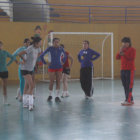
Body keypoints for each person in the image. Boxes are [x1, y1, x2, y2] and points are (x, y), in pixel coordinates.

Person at [18, 37, 42, 111]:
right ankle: (30, 104)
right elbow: (20, 53)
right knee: (31, 86)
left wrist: (35, 63)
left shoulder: (38, 49)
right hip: (24, 69)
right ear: (36, 43)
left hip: (31, 69)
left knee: (27, 85)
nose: (41, 44)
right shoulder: (30, 48)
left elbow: (39, 54)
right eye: (40, 42)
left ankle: (25, 103)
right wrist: (24, 59)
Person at [40, 38, 66, 102]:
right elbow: (41, 56)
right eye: (55, 42)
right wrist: (45, 62)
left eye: (58, 42)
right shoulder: (50, 48)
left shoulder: (61, 48)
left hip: (59, 67)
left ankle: (57, 96)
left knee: (58, 81)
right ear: (53, 42)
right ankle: (50, 95)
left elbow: (65, 56)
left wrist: (63, 61)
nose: (57, 43)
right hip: (51, 67)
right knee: (51, 81)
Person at [116, 37, 136, 106]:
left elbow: (131, 58)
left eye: (125, 42)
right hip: (123, 70)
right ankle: (129, 98)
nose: (124, 44)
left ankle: (129, 100)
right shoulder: (123, 50)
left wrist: (124, 54)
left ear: (129, 43)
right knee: (125, 85)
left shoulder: (132, 49)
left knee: (129, 85)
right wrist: (120, 51)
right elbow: (117, 57)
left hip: (130, 70)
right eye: (123, 43)